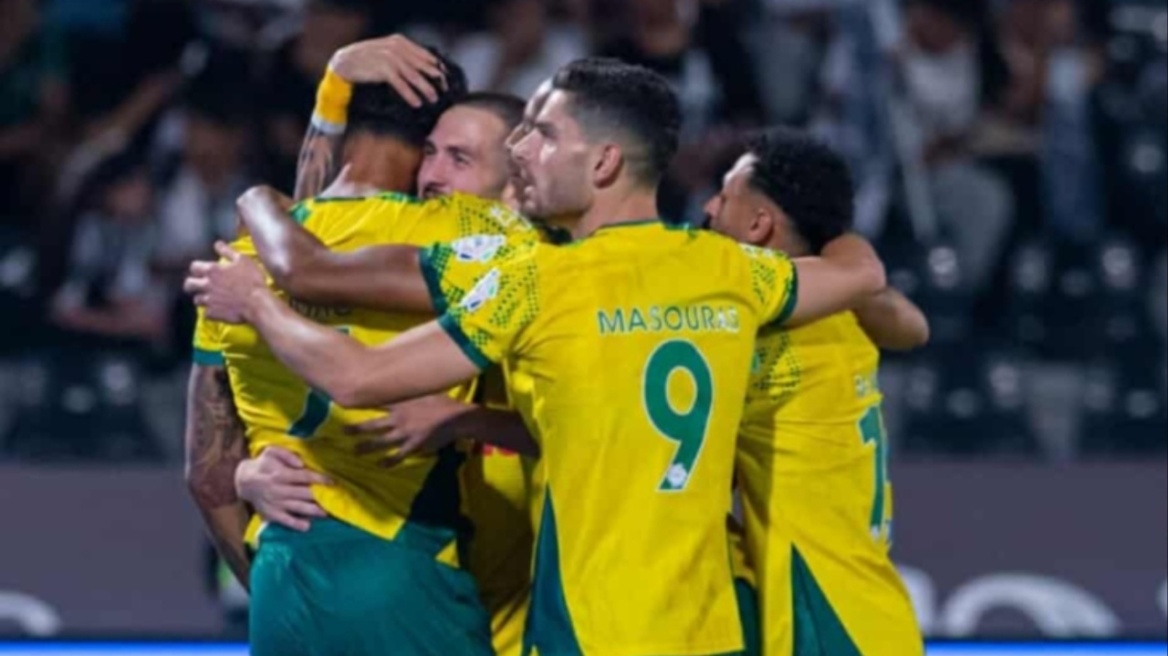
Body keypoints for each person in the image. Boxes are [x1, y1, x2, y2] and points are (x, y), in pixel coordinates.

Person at [187, 57, 887, 654]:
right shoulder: (727, 270)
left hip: (585, 624)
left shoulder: (526, 279)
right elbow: (862, 275)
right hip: (706, 627)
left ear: (604, 162)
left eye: (543, 135)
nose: (523, 148)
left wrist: (257, 295)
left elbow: (350, 363)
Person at [184, 39, 524, 655]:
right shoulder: (467, 233)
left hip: (284, 580)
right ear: (427, 139)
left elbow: (207, 477)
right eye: (439, 151)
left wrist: (268, 584)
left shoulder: (239, 265)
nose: (440, 174)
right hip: (406, 570)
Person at [706, 129, 926, 655]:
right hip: (870, 615)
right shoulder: (849, 310)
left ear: (759, 225)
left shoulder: (760, 326)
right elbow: (914, 327)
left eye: (725, 196)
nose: (709, 208)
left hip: (824, 621)